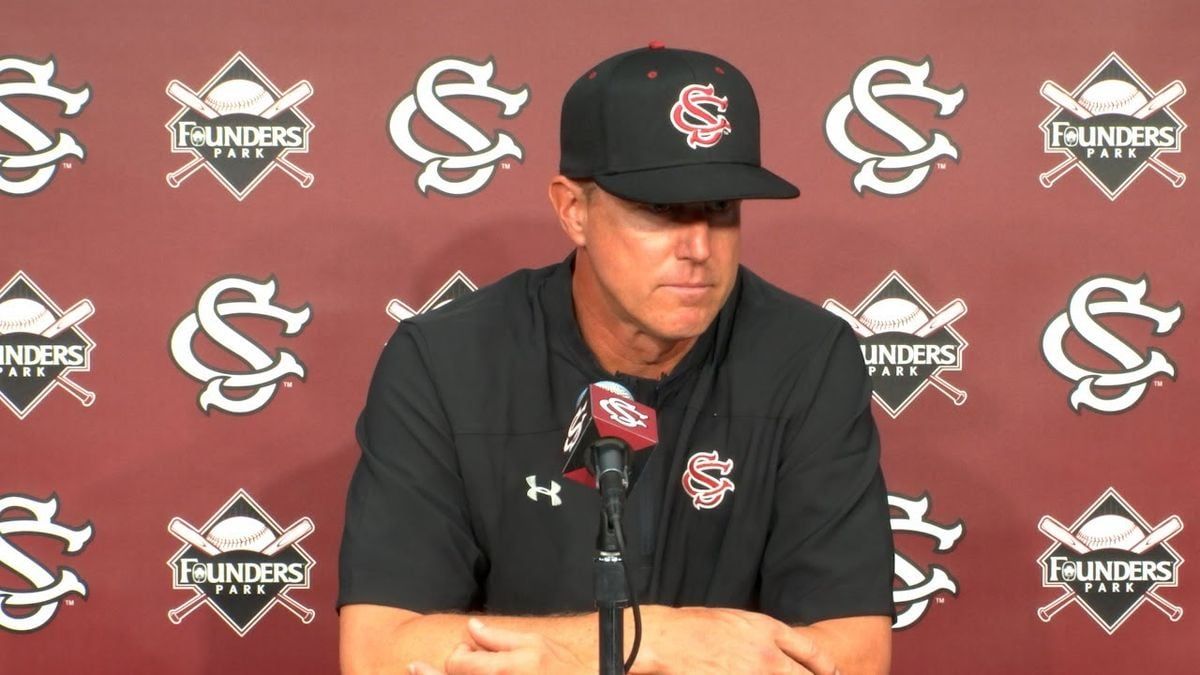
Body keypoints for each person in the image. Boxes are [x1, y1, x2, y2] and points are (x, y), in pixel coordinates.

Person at [339, 43, 894, 675]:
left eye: (721, 209)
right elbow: (380, 651)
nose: (698, 248)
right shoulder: (444, 362)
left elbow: (853, 653)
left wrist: (549, 657)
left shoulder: (808, 358)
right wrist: (652, 639)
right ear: (573, 209)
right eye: (659, 210)